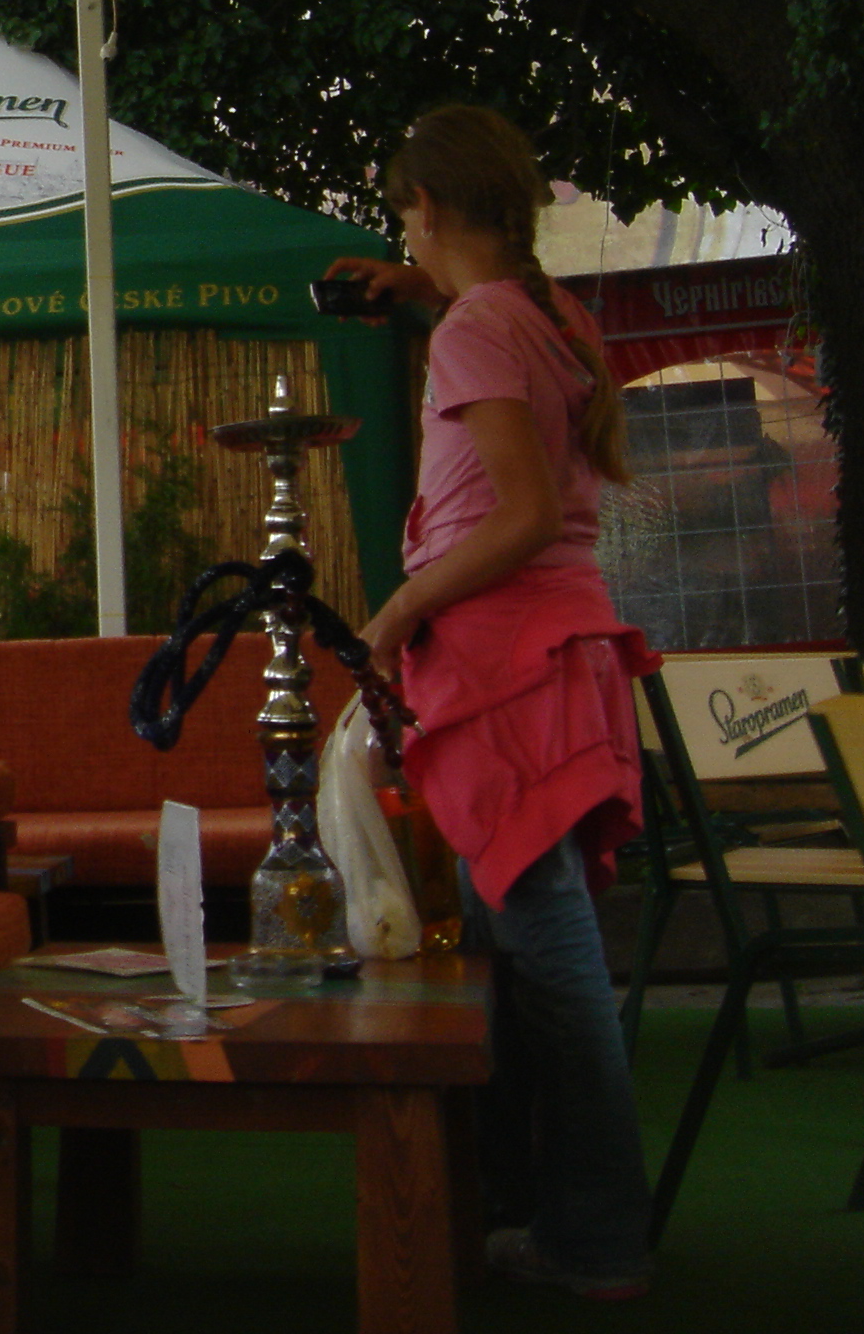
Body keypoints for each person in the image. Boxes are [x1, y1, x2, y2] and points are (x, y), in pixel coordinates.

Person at [329, 106, 654, 1301]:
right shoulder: (545, 312)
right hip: (555, 653)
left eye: (406, 216)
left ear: (428, 206)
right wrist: (423, 290)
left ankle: (598, 1239)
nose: (403, 232)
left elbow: (519, 515)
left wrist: (399, 611)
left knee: (546, 957)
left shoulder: (478, 328)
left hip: (501, 661)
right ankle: (524, 1205)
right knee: (512, 952)